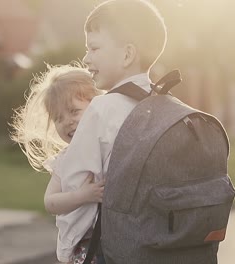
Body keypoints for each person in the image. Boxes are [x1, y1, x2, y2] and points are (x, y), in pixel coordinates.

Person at [49, 0, 168, 262]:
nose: (86, 58)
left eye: (94, 48)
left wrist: (68, 250)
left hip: (108, 248)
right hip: (155, 243)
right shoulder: (164, 104)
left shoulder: (102, 109)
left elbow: (74, 188)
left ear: (127, 55)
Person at [10, 64, 105, 263]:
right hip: (84, 246)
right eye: (58, 118)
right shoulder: (65, 160)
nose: (67, 121)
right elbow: (50, 202)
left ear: (97, 105)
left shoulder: (110, 144)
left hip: (116, 239)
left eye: (74, 111)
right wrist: (82, 195)